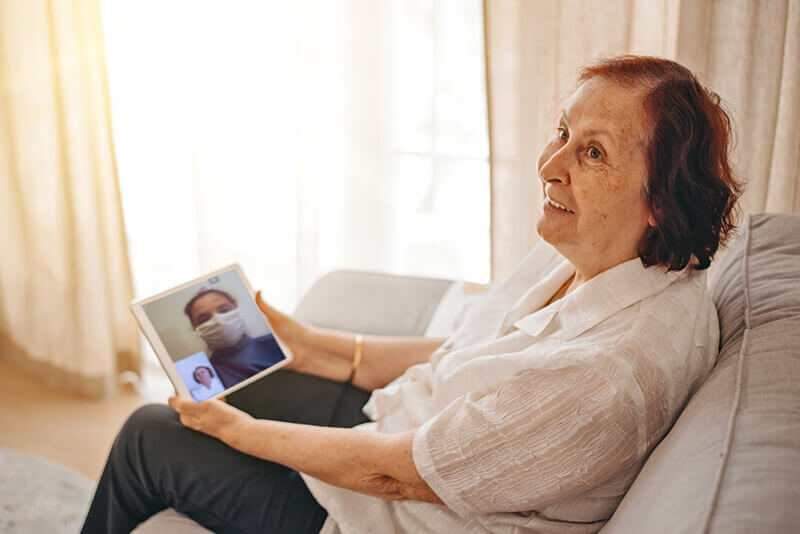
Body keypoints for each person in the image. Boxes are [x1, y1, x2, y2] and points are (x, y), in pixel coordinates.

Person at [81, 55, 742, 534]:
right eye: (562, 132)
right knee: (238, 363)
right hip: (403, 429)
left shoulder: (607, 375)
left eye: (592, 154)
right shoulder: (595, 252)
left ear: (660, 198)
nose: (551, 165)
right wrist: (313, 344)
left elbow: (396, 475)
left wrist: (243, 433)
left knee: (150, 434)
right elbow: (471, 354)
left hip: (388, 512)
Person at [184, 288, 285, 388]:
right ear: (196, 329)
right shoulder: (207, 372)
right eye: (204, 319)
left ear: (237, 310)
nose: (218, 320)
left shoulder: (278, 342)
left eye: (224, 310)